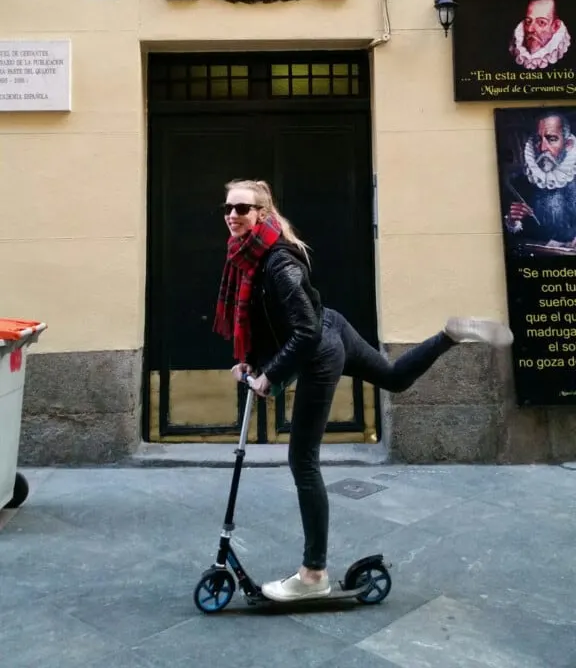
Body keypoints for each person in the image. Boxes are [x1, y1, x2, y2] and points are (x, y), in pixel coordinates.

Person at [213, 179, 513, 603]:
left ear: (262, 213)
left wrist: (269, 375)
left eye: (242, 208)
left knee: (303, 461)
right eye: (227, 207)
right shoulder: (251, 256)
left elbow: (302, 331)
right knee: (394, 378)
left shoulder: (278, 264)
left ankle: (314, 575)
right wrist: (252, 361)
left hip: (319, 350)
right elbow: (267, 320)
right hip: (333, 327)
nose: (231, 215)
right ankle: (449, 334)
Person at [505, 112, 576, 250]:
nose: (543, 148)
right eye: (538, 140)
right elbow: (512, 240)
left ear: (567, 144)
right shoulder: (517, 182)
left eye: (552, 139)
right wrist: (512, 221)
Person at [509, 0, 571, 71]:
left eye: (541, 22)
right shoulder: (515, 51)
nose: (530, 29)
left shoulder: (570, 57)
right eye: (528, 21)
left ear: (555, 26)